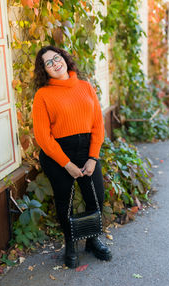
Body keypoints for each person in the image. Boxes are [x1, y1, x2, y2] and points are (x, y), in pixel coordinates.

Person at [33, 45, 112, 268]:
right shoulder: (43, 95)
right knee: (64, 203)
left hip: (87, 151)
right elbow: (43, 137)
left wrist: (92, 157)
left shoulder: (86, 87)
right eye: (48, 63)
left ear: (65, 59)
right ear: (44, 70)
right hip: (58, 155)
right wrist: (66, 164)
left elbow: (98, 125)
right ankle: (70, 244)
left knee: (95, 197)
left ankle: (92, 240)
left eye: (56, 58)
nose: (55, 64)